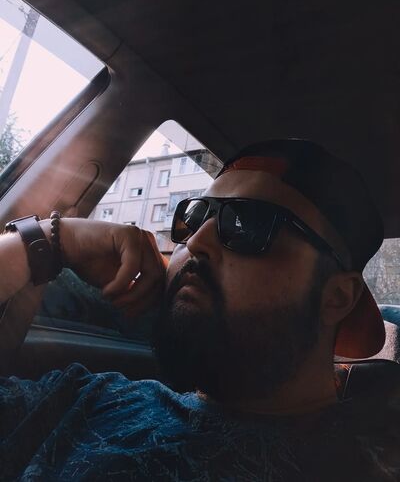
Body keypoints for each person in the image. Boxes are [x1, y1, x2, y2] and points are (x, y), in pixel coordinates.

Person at [0, 138, 399, 481]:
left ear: (337, 297)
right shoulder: (87, 399)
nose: (195, 241)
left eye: (246, 223)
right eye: (193, 217)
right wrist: (50, 243)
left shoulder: (367, 466)